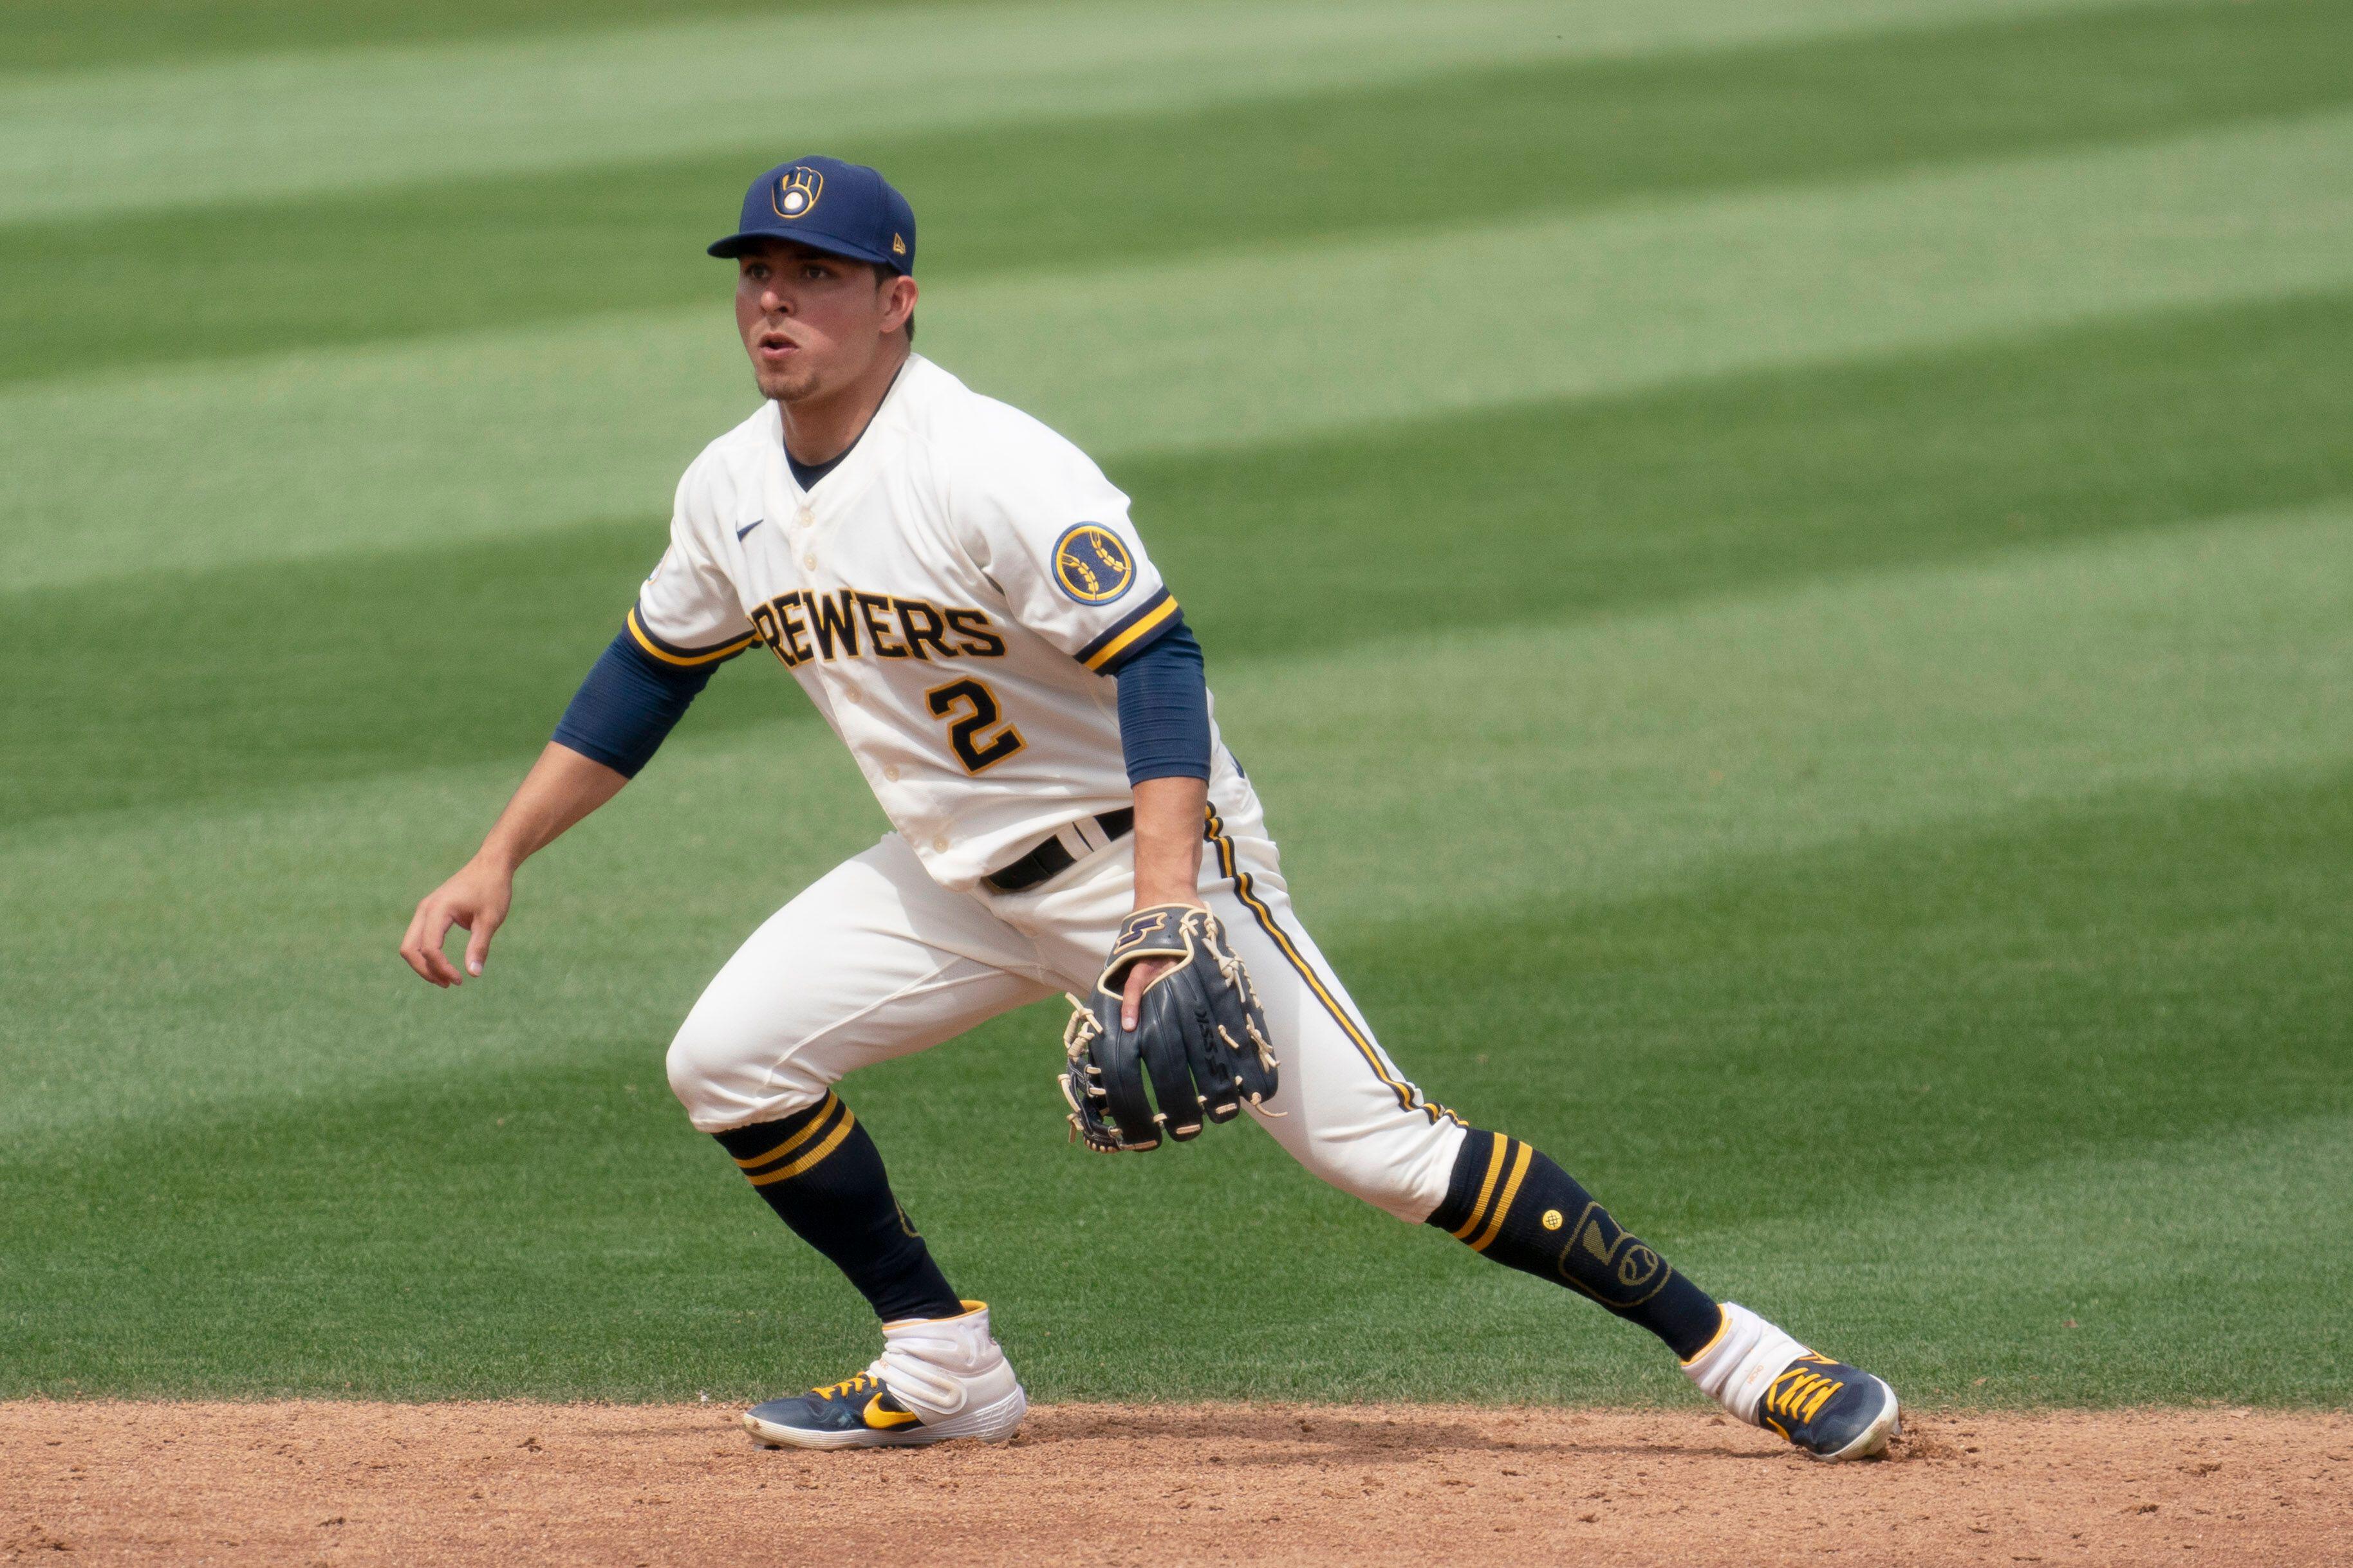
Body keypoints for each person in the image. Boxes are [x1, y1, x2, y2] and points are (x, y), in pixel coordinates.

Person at [399, 156, 1901, 1459]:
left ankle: (1750, 1358)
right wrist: (497, 854)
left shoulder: (987, 464)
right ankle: (941, 1361)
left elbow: (1159, 661)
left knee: (1377, 1150)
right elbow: (647, 673)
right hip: (948, 876)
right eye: (758, 275)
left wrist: (1167, 912)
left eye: (818, 275)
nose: (776, 302)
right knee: (726, 1060)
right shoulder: (727, 485)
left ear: (899, 298)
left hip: (1148, 856)